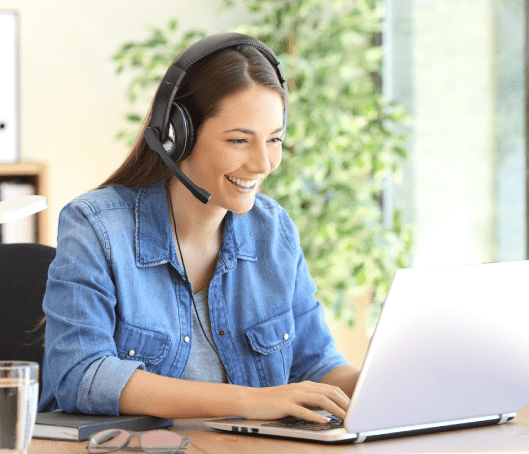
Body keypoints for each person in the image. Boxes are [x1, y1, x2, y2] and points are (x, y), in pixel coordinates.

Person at [37, 34, 360, 424]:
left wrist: (377, 383)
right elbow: (81, 374)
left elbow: (317, 363)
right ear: (178, 135)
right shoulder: (96, 227)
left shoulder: (273, 232)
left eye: (274, 140)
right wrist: (248, 402)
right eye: (240, 140)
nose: (263, 164)